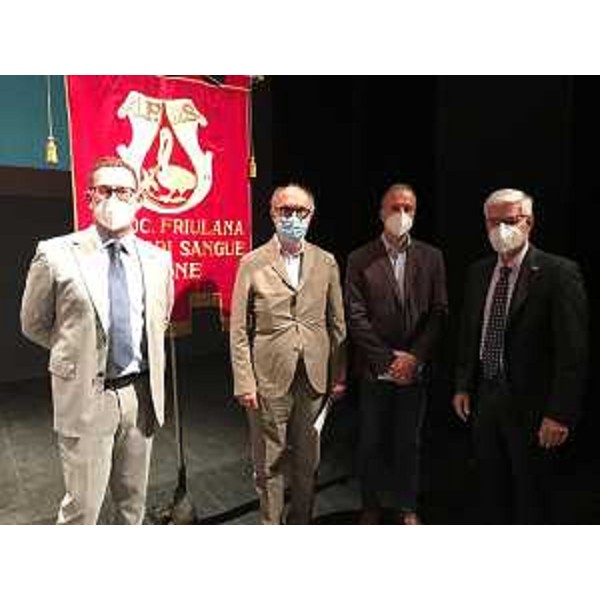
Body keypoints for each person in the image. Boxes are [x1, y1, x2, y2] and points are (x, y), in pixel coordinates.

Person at [21, 156, 173, 524]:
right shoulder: (55, 254)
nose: (114, 198)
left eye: (123, 191)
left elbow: (160, 319)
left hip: (141, 396)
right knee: (82, 512)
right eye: (105, 190)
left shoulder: (159, 259)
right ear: (90, 196)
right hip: (88, 397)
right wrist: (78, 354)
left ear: (138, 198)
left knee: (132, 507)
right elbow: (33, 323)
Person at [452, 188, 588, 524]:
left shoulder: (558, 272)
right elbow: (470, 332)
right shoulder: (479, 272)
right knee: (490, 490)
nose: (501, 229)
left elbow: (572, 351)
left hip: (533, 406)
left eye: (510, 221)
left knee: (532, 495)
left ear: (529, 223)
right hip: (486, 397)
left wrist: (559, 413)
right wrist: (463, 385)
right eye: (493, 221)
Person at [229, 184, 346, 524]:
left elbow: (337, 323)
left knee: (308, 461)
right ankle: (271, 524)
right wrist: (244, 381)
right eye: (285, 211)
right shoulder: (252, 262)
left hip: (314, 377)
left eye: (300, 211)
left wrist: (339, 374)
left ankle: (302, 522)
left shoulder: (326, 261)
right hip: (268, 377)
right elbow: (238, 329)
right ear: (272, 213)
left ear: (311, 215)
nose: (293, 217)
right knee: (269, 461)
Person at [345, 183, 448, 524]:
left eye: (408, 209)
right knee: (370, 442)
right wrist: (388, 361)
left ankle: (407, 506)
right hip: (375, 368)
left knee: (409, 443)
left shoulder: (432, 257)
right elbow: (355, 316)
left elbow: (438, 312)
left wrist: (414, 358)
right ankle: (371, 506)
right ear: (381, 212)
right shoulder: (360, 258)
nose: (401, 214)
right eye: (394, 208)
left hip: (414, 370)